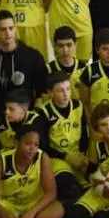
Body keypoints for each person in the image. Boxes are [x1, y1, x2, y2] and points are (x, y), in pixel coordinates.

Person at [39, 70, 89, 205]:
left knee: (101, 180)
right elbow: (43, 147)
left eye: (68, 89)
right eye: (60, 90)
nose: (66, 94)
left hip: (79, 156)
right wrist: (65, 157)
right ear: (50, 92)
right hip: (57, 158)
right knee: (65, 182)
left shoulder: (78, 106)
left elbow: (85, 134)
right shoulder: (43, 112)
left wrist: (83, 154)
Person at [49, 26, 89, 101]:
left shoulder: (85, 69)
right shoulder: (48, 69)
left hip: (79, 111)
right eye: (61, 46)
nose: (65, 50)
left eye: (69, 45)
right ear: (55, 47)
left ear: (75, 44)